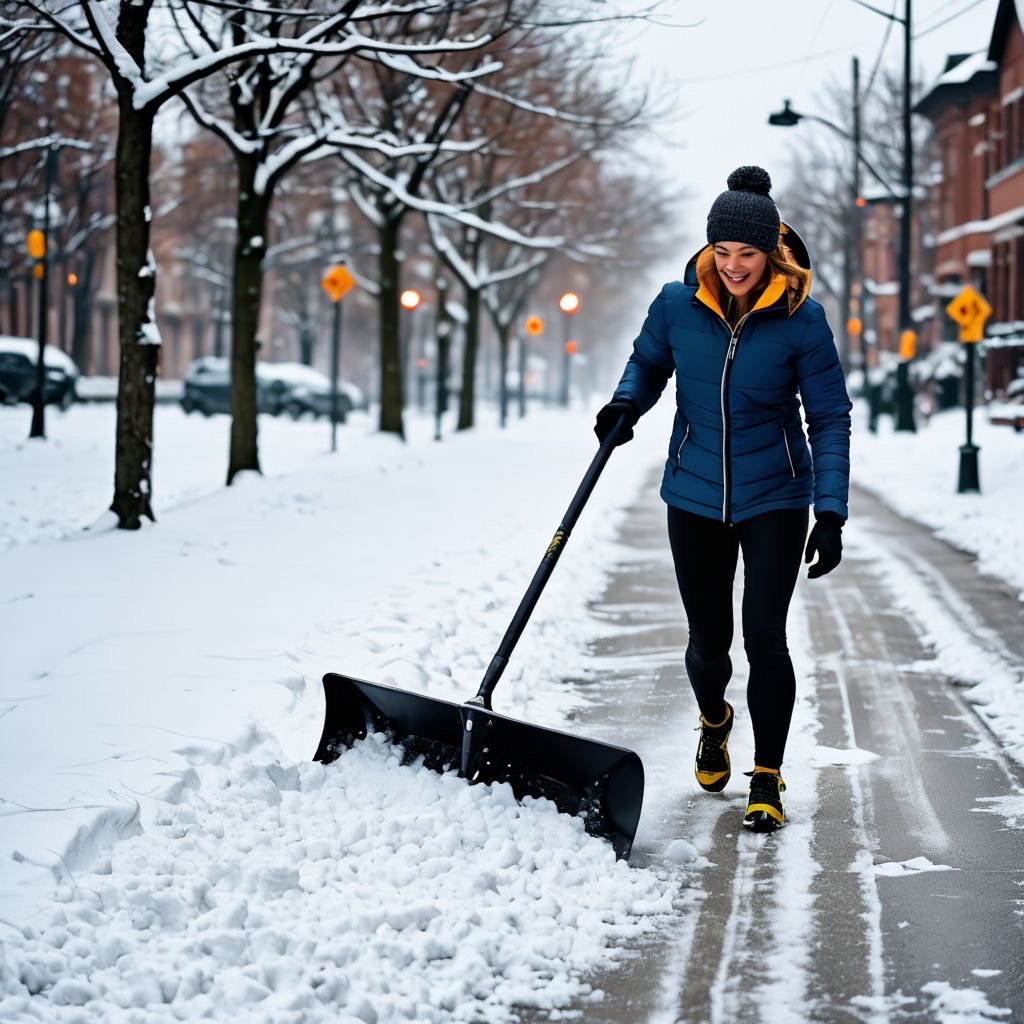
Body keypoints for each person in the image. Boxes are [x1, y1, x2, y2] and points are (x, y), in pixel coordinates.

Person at [594, 166, 851, 832]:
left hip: (777, 497)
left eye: (748, 253)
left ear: (771, 252)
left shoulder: (803, 319)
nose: (735, 265)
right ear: (710, 249)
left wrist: (830, 510)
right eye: (724, 252)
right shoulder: (677, 305)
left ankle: (766, 776)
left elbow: (829, 416)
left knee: (766, 636)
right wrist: (627, 403)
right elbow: (648, 364)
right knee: (709, 642)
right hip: (695, 492)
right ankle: (715, 720)